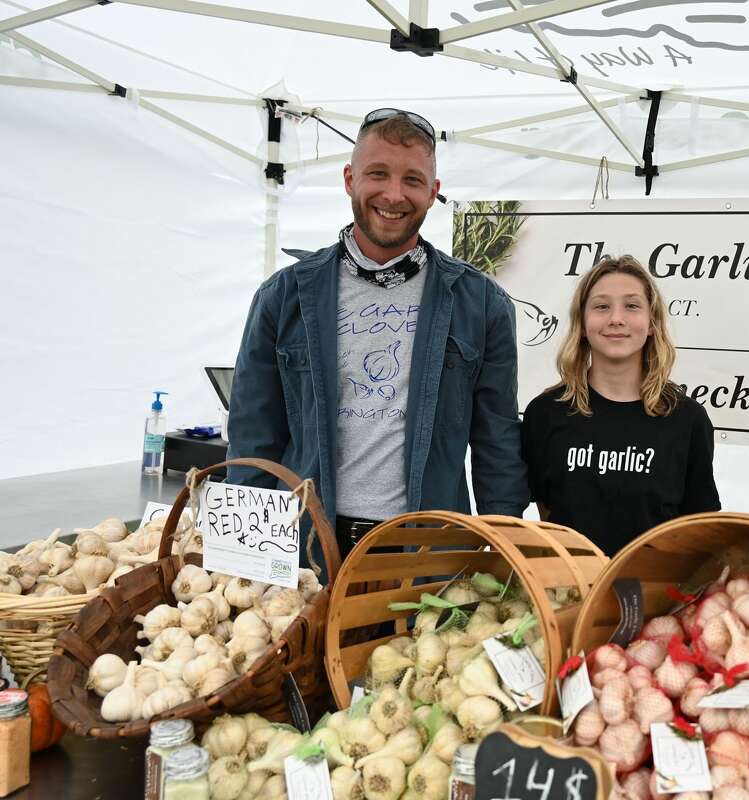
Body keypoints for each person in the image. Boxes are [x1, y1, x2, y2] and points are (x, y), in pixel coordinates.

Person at [226, 109, 528, 559]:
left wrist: (505, 554)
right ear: (350, 179)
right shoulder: (284, 296)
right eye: (378, 174)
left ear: (433, 192)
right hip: (308, 546)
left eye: (412, 180)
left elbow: (497, 443)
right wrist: (243, 558)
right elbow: (253, 440)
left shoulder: (480, 304)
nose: (393, 194)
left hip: (428, 552)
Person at [521, 255, 721, 555]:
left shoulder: (687, 419)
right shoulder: (545, 413)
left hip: (656, 594)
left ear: (652, 324)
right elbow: (546, 514)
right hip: (569, 591)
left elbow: (699, 525)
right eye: (602, 306)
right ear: (583, 325)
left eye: (632, 306)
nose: (616, 318)